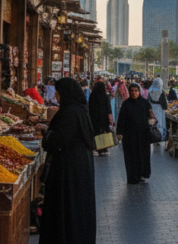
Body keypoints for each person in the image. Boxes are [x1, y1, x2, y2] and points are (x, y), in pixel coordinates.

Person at [39, 78, 95, 244]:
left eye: (58, 91)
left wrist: (47, 134)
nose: (56, 94)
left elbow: (59, 140)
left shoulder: (69, 113)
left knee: (67, 209)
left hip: (68, 170)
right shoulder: (80, 110)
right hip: (78, 168)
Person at [117, 83, 153, 184]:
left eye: (136, 91)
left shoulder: (145, 103)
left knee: (143, 154)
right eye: (132, 91)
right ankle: (133, 176)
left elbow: (151, 117)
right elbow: (121, 119)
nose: (134, 93)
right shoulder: (126, 104)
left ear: (139, 91)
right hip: (130, 136)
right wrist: (119, 132)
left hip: (143, 135)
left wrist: (151, 121)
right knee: (131, 156)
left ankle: (142, 174)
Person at [87, 81, 113, 156]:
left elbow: (89, 107)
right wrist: (110, 119)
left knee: (96, 132)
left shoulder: (92, 96)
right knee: (104, 132)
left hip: (94, 117)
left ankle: (96, 148)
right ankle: (104, 148)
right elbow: (108, 108)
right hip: (104, 117)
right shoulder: (105, 96)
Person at [147, 78, 168, 145]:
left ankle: (152, 136)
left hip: (152, 109)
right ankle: (160, 138)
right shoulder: (162, 93)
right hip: (159, 110)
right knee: (160, 124)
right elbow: (165, 106)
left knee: (153, 123)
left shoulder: (150, 91)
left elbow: (148, 101)